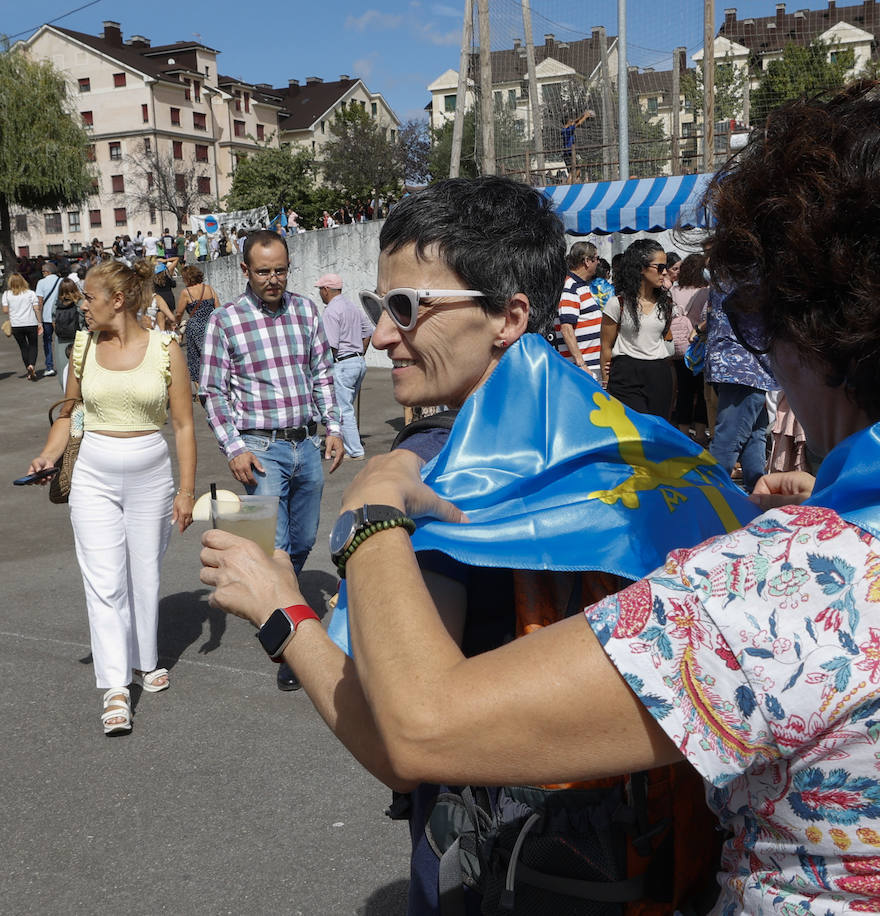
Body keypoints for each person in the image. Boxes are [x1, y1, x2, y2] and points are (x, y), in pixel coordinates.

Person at [203, 65, 880, 914]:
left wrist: (365, 513)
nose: (384, 330)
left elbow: (418, 729)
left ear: (830, 331)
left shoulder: (785, 589)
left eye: (769, 314)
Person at [201, 176, 752, 915]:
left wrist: (279, 609)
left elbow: (397, 744)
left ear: (508, 316)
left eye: (406, 308)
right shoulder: (642, 443)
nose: (379, 334)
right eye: (377, 306)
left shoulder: (434, 472)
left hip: (505, 871)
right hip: (643, 866)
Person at [23, 259, 196, 735]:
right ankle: (116, 687)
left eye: (89, 298)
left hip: (151, 476)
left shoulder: (165, 347)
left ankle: (144, 656)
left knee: (145, 574)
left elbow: (182, 425)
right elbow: (70, 414)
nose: (83, 307)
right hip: (93, 474)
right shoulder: (81, 347)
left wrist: (186, 490)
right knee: (104, 580)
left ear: (116, 301)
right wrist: (47, 456)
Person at [200, 229, 344, 691]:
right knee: (275, 546)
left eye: (280, 270)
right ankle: (293, 647)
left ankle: (266, 594)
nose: (273, 279)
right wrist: (234, 447)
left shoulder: (305, 309)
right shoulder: (225, 320)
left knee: (302, 541)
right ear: (245, 270)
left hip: (306, 445)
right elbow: (213, 391)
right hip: (260, 450)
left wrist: (334, 428)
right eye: (263, 271)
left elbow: (322, 371)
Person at [703, 283, 779, 492]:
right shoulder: (748, 271)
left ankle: (757, 495)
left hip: (741, 367)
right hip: (744, 366)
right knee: (730, 439)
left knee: (754, 436)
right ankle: (710, 497)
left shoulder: (729, 269)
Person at [601, 238, 675, 419]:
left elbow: (666, 339)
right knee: (633, 431)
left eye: (666, 267)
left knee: (658, 432)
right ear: (641, 268)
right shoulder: (617, 303)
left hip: (659, 373)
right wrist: (605, 379)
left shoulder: (666, 304)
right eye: (659, 267)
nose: (664, 272)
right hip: (625, 374)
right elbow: (606, 347)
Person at [317, 273, 373, 459]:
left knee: (342, 409)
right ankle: (345, 444)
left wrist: (322, 370)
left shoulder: (331, 311)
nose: (320, 293)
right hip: (358, 362)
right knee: (346, 407)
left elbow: (331, 346)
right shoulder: (352, 307)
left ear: (326, 290)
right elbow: (368, 332)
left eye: (320, 289)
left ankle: (355, 451)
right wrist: (360, 354)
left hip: (343, 363)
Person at [670, 252, 710, 442]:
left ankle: (684, 435)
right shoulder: (706, 291)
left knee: (684, 392)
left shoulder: (674, 291)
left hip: (679, 349)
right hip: (700, 348)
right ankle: (701, 435)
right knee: (702, 394)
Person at [556, 240, 601, 377]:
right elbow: (566, 328)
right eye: (596, 258)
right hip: (582, 369)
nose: (598, 262)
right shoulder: (570, 286)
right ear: (587, 261)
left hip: (588, 366)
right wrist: (581, 364)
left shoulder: (580, 286)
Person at [176, 264, 221, 391]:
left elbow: (179, 312)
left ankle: (201, 390)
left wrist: (176, 323)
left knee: (195, 359)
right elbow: (218, 308)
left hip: (195, 327)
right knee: (212, 356)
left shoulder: (186, 292)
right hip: (211, 326)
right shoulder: (209, 289)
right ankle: (216, 384)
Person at [3, 273, 43, 380]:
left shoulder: (6, 294)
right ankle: (32, 365)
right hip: (31, 323)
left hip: (16, 325)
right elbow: (36, 309)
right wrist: (40, 323)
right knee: (33, 345)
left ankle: (29, 371)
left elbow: (5, 310)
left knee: (23, 347)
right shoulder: (30, 293)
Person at [52, 278, 84, 389]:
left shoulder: (57, 303)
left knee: (63, 372)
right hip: (79, 339)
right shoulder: (81, 302)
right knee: (80, 370)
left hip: (61, 341)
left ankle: (67, 395)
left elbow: (53, 322)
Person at [35, 261, 61, 377]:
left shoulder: (41, 283)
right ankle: (65, 365)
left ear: (47, 271)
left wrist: (38, 319)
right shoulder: (61, 281)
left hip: (46, 317)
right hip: (60, 316)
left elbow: (39, 302)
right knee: (62, 341)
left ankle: (49, 366)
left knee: (47, 342)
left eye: (43, 272)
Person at [560, 108, 594, 180]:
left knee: (576, 170)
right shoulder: (568, 130)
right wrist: (585, 117)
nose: (572, 121)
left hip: (568, 152)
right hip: (569, 152)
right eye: (570, 121)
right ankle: (569, 184)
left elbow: (575, 121)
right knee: (573, 171)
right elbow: (578, 124)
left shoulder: (564, 129)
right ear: (568, 123)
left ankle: (574, 181)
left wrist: (582, 115)